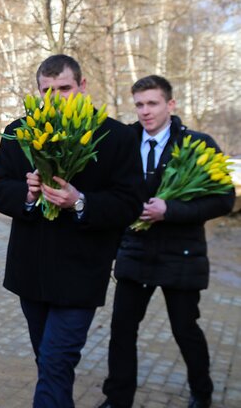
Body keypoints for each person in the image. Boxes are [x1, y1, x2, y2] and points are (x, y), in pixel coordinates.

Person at [0, 54, 141, 408]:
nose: (56, 98)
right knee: (49, 363)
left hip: (81, 275)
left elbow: (129, 202)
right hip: (31, 274)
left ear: (83, 86)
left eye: (65, 88)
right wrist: (25, 194)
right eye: (47, 91)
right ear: (38, 91)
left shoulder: (115, 137)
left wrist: (80, 201)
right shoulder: (20, 131)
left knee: (56, 363)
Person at [98, 75, 234, 408]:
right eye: (140, 104)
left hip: (181, 255)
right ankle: (118, 400)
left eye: (153, 103)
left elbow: (223, 200)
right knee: (122, 331)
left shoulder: (197, 145)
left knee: (185, 330)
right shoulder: (124, 140)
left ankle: (202, 393)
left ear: (170, 105)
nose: (145, 111)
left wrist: (169, 209)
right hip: (135, 250)